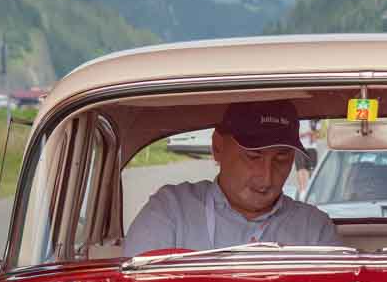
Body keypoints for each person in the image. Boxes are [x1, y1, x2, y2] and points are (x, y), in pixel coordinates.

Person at [125, 100, 343, 256]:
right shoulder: (171, 211)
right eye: (253, 156)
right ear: (218, 147)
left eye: (282, 158)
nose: (266, 178)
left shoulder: (313, 228)